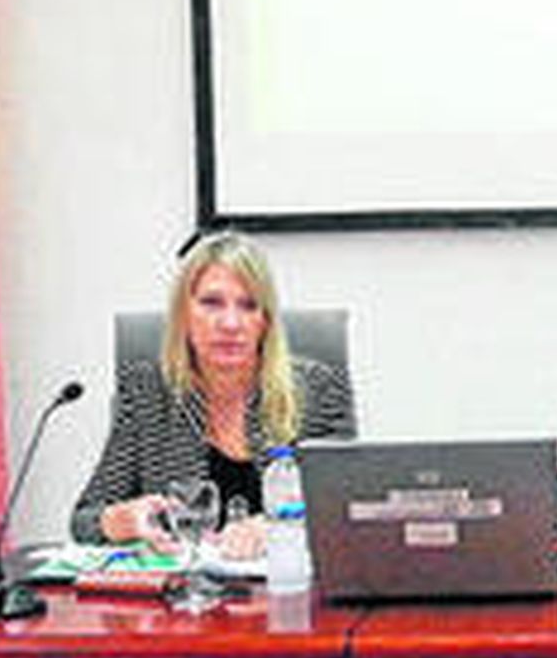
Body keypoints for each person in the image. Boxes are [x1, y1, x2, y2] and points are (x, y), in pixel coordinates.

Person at [71, 231, 355, 555]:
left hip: (285, 589)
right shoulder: (145, 392)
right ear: (183, 314)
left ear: (266, 322)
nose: (230, 323)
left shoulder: (319, 389)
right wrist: (119, 520)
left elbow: (346, 510)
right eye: (211, 303)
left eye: (249, 306)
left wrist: (280, 526)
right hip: (183, 596)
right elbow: (83, 521)